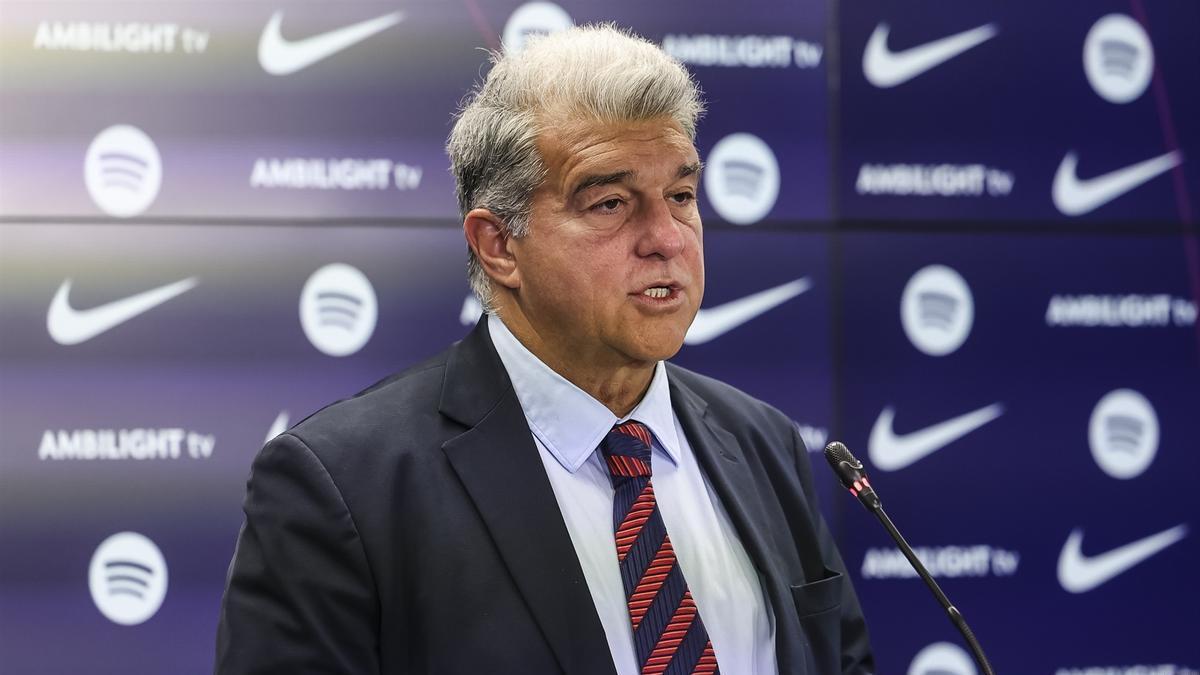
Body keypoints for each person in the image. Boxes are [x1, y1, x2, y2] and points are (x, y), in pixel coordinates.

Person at [215, 24, 873, 675]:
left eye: (680, 195)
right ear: (499, 245)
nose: (666, 238)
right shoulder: (345, 484)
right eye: (612, 202)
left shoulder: (762, 441)